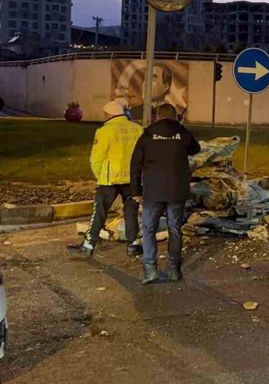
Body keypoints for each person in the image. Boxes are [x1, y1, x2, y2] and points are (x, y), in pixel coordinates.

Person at [131, 104, 201, 285]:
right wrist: (181, 126)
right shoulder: (182, 133)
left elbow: (135, 164)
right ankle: (173, 270)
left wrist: (136, 190)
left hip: (153, 190)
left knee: (148, 229)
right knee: (175, 228)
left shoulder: (147, 135)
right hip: (176, 190)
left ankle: (149, 269)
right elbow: (195, 148)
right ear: (174, 117)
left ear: (157, 116)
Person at [68, 101, 143, 258]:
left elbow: (96, 159)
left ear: (109, 114)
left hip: (110, 179)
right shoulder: (137, 129)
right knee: (131, 211)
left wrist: (100, 176)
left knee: (99, 212)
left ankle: (88, 246)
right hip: (132, 178)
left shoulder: (105, 131)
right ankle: (133, 245)